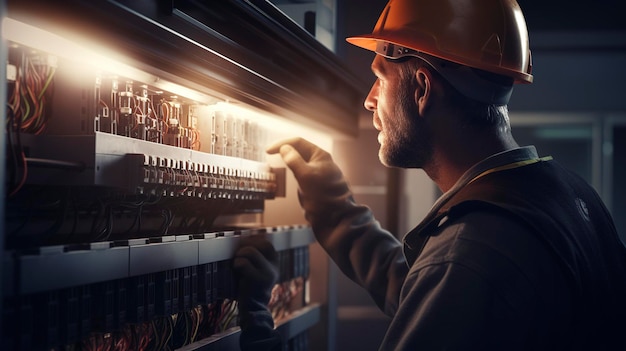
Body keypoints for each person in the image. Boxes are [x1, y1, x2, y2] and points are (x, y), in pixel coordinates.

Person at [234, 0, 626, 349]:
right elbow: (425, 293)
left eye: (380, 76)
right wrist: (334, 209)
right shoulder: (569, 196)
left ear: (422, 88)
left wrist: (256, 320)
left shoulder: (472, 252)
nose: (369, 99)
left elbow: (452, 275)